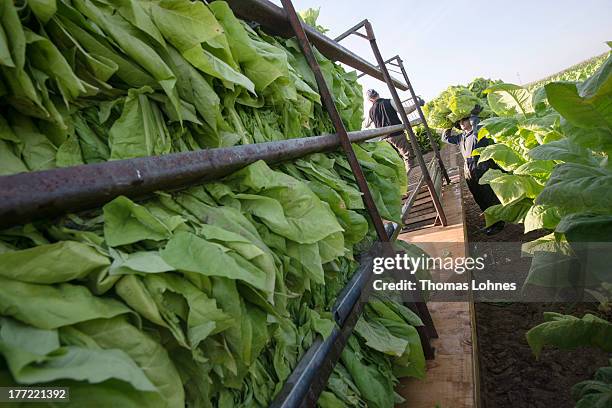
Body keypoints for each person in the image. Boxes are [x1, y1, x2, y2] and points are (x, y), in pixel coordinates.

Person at [442, 107, 505, 235]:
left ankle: (499, 223)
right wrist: (447, 125)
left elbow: (477, 128)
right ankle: (490, 221)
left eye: (464, 120)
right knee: (478, 196)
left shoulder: (478, 133)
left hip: (482, 166)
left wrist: (474, 117)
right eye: (459, 122)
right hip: (468, 169)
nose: (461, 123)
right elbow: (445, 138)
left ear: (470, 120)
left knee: (488, 195)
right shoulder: (461, 137)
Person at [366, 89, 423, 172]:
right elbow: (406, 111)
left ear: (370, 100)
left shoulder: (370, 111)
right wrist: (418, 104)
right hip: (397, 135)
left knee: (393, 161)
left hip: (384, 139)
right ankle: (411, 175)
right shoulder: (389, 102)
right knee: (408, 157)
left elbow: (366, 124)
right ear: (378, 94)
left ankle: (400, 180)